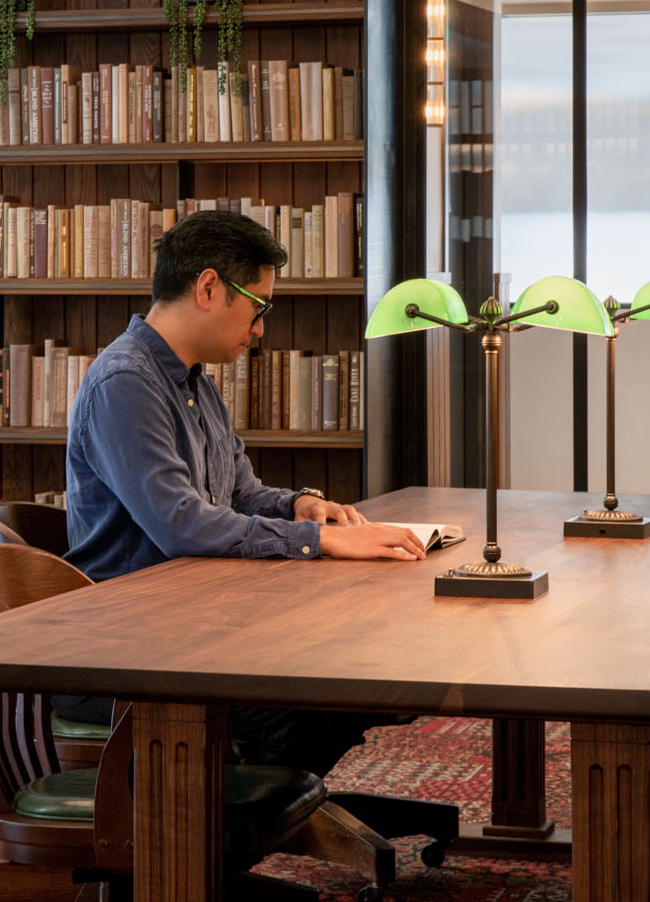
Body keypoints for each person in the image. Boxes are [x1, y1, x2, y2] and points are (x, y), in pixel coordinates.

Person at [62, 208, 424, 777]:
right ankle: (216, 830)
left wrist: (302, 506)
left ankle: (249, 814)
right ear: (209, 287)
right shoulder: (126, 383)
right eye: (258, 307)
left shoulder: (193, 381)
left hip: (195, 623)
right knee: (334, 683)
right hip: (132, 649)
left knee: (361, 662)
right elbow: (182, 524)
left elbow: (239, 494)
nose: (260, 329)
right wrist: (320, 542)